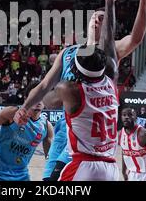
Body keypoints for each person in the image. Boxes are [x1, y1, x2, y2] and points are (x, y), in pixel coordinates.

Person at [15, 0, 146, 179]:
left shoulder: (111, 54)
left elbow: (136, 38)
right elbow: (45, 85)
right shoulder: (68, 52)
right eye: (94, 17)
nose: (96, 21)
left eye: (102, 18)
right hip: (67, 129)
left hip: (88, 140)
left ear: (108, 25)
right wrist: (25, 107)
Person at [43, 46, 119, 181]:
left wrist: (57, 73)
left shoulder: (70, 89)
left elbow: (47, 101)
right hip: (111, 167)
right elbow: (110, 46)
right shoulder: (112, 81)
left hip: (84, 165)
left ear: (75, 68)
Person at [0, 83, 53, 181]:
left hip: (22, 175)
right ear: (26, 98)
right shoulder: (12, 112)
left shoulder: (47, 126)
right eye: (35, 97)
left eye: (42, 97)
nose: (39, 101)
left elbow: (50, 157)